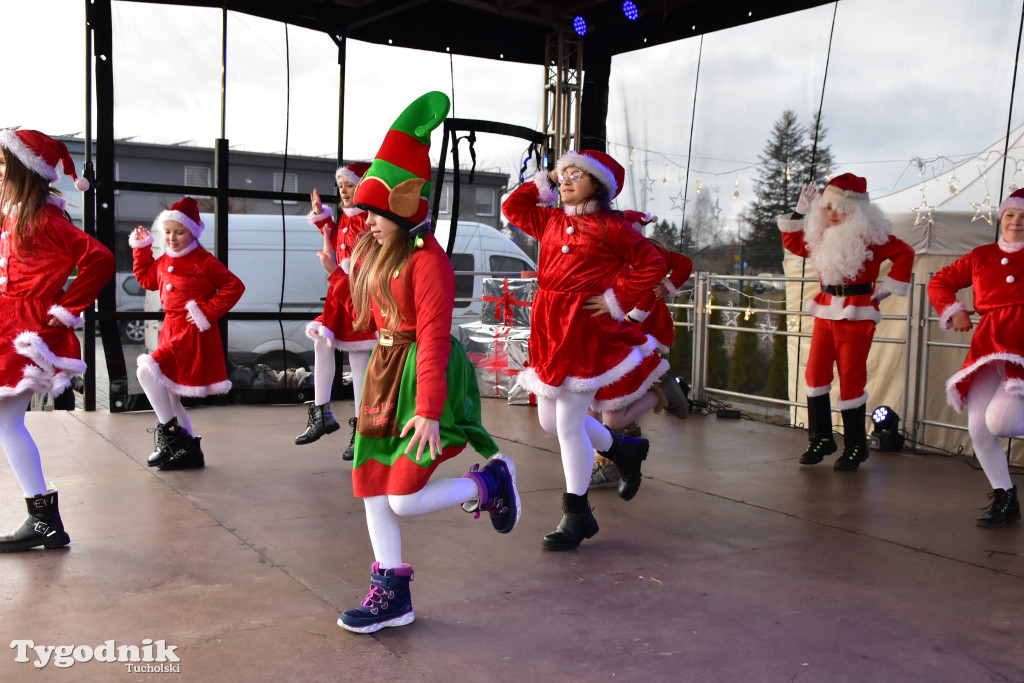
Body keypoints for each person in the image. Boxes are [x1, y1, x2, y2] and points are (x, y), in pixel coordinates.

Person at [336, 92, 520, 634]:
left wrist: (431, 410)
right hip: (386, 372)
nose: (363, 221)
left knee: (403, 497)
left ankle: (489, 486)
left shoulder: (427, 262)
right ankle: (392, 593)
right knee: (372, 483)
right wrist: (345, 267)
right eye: (361, 212)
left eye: (371, 211)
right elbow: (366, 321)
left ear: (401, 206)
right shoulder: (377, 252)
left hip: (425, 374)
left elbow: (436, 337)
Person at [502, 149, 668, 551]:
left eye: (578, 174)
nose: (567, 181)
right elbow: (512, 206)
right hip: (548, 328)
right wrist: (539, 182)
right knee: (548, 420)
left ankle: (577, 513)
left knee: (568, 426)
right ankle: (626, 449)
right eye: (564, 175)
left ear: (600, 185)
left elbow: (652, 264)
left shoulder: (612, 227)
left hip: (584, 330)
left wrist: (616, 297)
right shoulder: (550, 219)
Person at [0, 129, 114, 552]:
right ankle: (43, 518)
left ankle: (43, 519)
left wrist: (66, 308)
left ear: (20, 170)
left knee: (7, 421)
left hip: (28, 328)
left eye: (1, 163)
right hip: (9, 319)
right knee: (6, 421)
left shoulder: (46, 218)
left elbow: (100, 258)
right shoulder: (13, 211)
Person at [778, 173, 915, 470]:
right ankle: (822, 438)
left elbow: (905, 252)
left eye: (841, 209)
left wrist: (886, 290)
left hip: (857, 313)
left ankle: (855, 446)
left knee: (852, 379)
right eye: (828, 208)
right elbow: (792, 242)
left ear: (857, 212)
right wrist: (800, 212)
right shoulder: (820, 237)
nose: (834, 214)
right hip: (826, 310)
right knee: (814, 375)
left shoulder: (873, 238)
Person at [927, 187, 1024, 527]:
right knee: (979, 428)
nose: (1016, 222)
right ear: (1001, 217)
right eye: (1011, 215)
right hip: (987, 348)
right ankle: (1005, 497)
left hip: (1021, 349)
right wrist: (953, 310)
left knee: (1003, 422)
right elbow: (939, 281)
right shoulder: (981, 255)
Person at [130, 197, 245, 470]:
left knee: (146, 371)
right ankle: (190, 450)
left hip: (191, 333)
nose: (171, 238)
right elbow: (147, 279)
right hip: (171, 330)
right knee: (170, 394)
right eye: (167, 232)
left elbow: (234, 286)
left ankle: (171, 436)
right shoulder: (164, 259)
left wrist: (206, 310)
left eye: (179, 232)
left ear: (193, 231)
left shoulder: (203, 261)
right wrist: (142, 248)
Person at [591, 217, 693, 489]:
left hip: (637, 340)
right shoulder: (614, 258)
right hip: (621, 340)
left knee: (610, 410)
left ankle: (612, 462)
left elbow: (676, 268)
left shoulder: (646, 253)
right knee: (598, 408)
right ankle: (619, 457)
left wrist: (667, 285)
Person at [296, 161, 377, 460]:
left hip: (355, 296)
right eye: (341, 187)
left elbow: (365, 265)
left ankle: (361, 428)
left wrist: (336, 271)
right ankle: (322, 412)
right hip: (339, 295)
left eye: (350, 186)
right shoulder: (346, 218)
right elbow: (330, 230)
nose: (343, 192)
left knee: (358, 363)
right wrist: (319, 214)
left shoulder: (369, 221)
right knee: (322, 339)